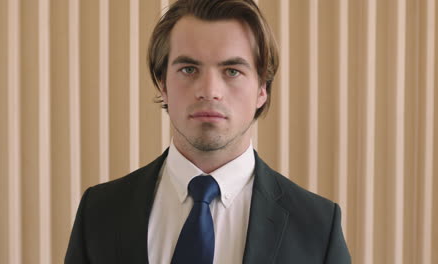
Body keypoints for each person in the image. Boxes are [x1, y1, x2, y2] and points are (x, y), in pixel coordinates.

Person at [65, 0, 351, 263]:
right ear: (162, 84)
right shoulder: (99, 213)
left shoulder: (318, 228)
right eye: (189, 69)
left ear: (262, 88)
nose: (209, 91)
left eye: (232, 71)